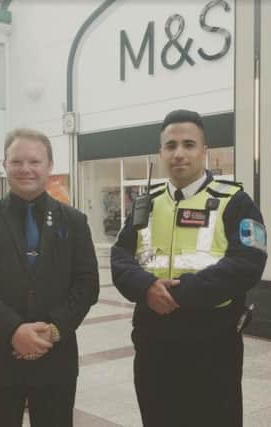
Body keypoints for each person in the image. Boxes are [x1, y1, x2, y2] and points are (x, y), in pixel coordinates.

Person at [111, 109, 267, 427]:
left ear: (204, 151)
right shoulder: (146, 203)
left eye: (188, 144)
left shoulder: (234, 201)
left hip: (211, 344)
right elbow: (120, 257)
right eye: (170, 146)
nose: (179, 153)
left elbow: (249, 261)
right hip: (154, 343)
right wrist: (146, 287)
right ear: (160, 153)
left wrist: (180, 294)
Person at [0, 128, 99, 427]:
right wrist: (14, 330)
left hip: (55, 359)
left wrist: (52, 330)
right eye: (17, 161)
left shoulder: (74, 221)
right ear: (5, 165)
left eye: (35, 162)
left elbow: (87, 284)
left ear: (49, 166)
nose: (25, 169)